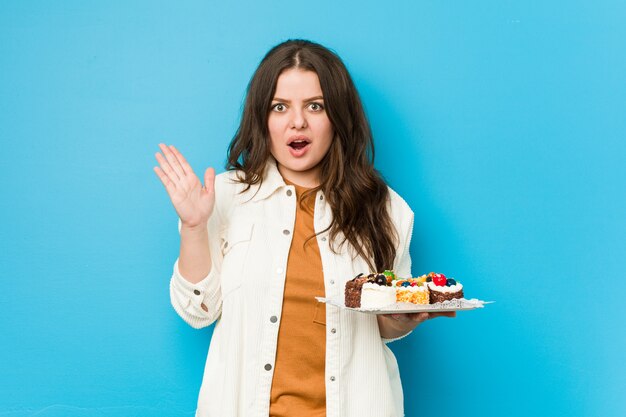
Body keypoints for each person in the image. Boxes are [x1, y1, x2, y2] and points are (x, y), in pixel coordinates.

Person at [154, 39, 454, 417]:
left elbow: (384, 326)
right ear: (263, 118)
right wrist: (194, 226)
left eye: (315, 106)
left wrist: (401, 317)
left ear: (338, 117)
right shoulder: (225, 196)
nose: (298, 121)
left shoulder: (386, 208)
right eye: (280, 107)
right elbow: (197, 311)